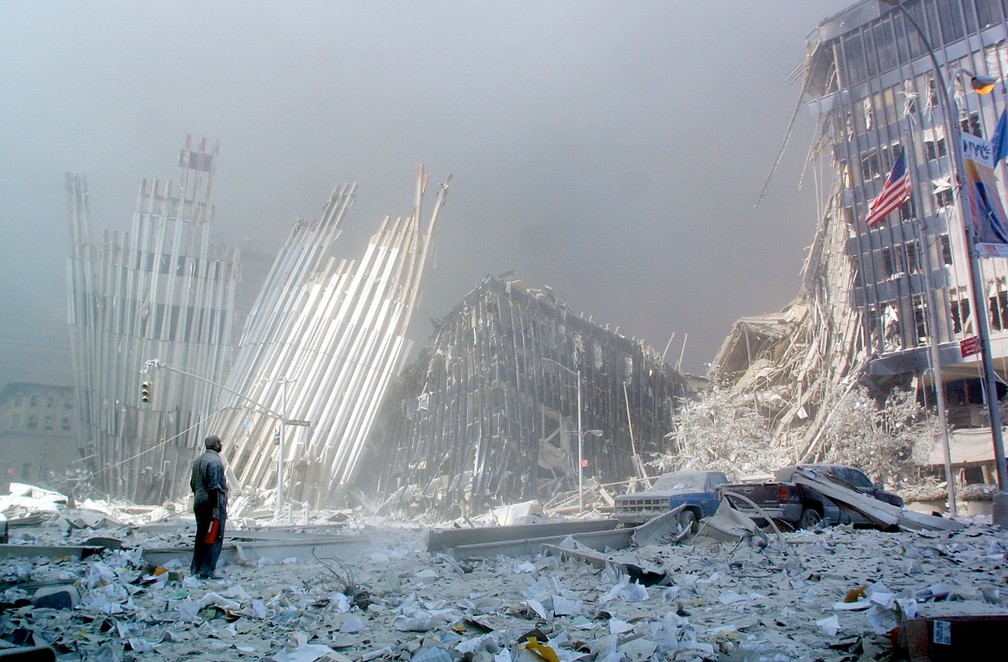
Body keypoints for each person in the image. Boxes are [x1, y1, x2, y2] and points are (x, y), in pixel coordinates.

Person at [190, 434, 228, 579]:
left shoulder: (198, 460)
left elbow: (192, 484)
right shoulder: (215, 462)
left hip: (198, 501)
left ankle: (196, 568)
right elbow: (214, 487)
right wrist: (215, 509)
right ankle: (207, 570)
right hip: (212, 503)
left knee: (200, 535)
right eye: (220, 443)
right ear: (216, 445)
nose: (221, 445)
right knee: (213, 536)